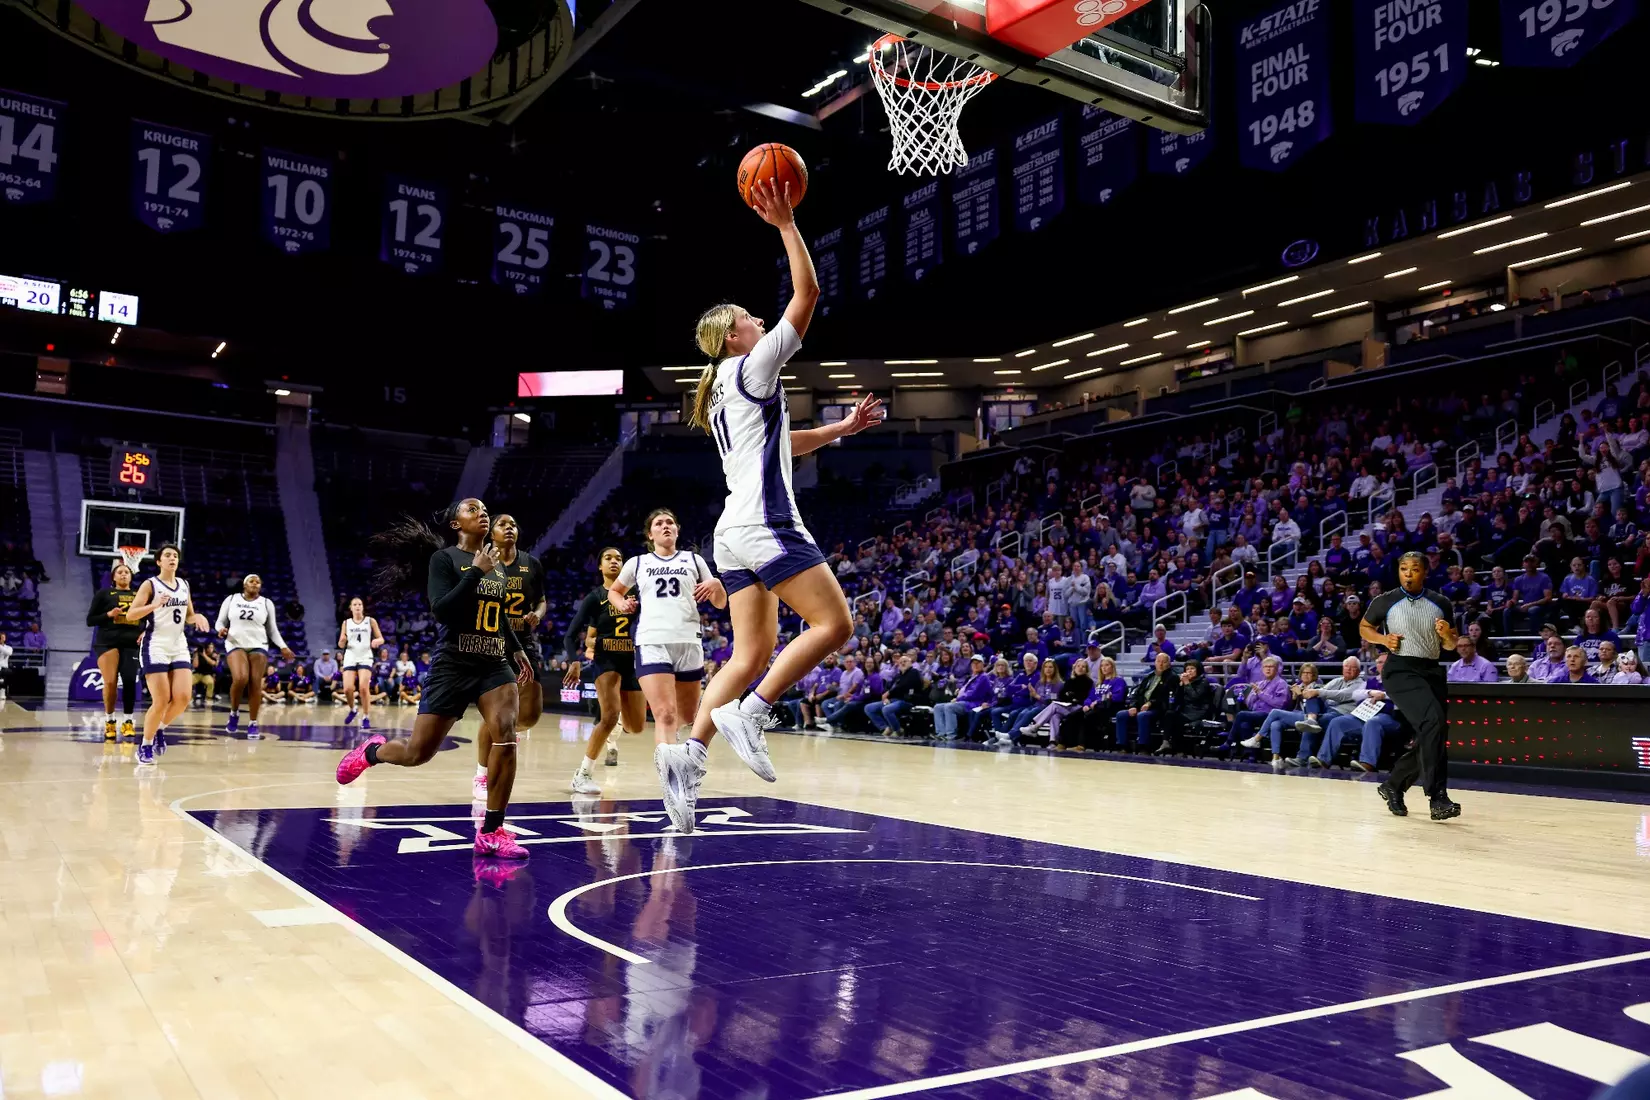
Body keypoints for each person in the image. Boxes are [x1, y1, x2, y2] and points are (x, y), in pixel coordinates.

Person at [655, 175, 886, 835]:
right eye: (749, 319)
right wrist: (786, 223)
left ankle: (687, 758)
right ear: (733, 337)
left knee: (748, 653)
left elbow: (785, 442)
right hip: (764, 524)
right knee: (835, 626)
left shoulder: (725, 387)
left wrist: (841, 430)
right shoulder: (753, 368)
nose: (759, 319)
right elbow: (809, 295)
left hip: (731, 532)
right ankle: (753, 713)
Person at [334, 500, 534, 859]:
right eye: (472, 509)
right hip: (453, 664)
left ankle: (492, 829)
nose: (482, 512)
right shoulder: (444, 560)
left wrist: (516, 648)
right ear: (456, 524)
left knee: (506, 735)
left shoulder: (497, 566)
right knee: (417, 753)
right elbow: (442, 609)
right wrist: (475, 571)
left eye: (484, 509)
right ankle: (373, 751)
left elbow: (498, 614)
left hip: (493, 663)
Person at [1361, 551, 1461, 821]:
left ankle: (1393, 785)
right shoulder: (1386, 600)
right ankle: (1437, 797)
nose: (1408, 573)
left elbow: (1452, 644)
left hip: (1431, 671)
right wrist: (1383, 640)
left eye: (1414, 569)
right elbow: (1364, 627)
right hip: (1401, 669)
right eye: (1403, 568)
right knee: (1433, 723)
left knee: (1435, 732)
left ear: (1424, 572)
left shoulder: (1440, 602)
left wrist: (1446, 636)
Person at [562, 547, 647, 794]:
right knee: (609, 715)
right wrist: (574, 660)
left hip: (631, 661)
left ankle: (617, 721)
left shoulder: (637, 594)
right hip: (606, 660)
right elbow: (570, 635)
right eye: (608, 558)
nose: (614, 561)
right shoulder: (595, 597)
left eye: (619, 558)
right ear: (599, 566)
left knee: (637, 726)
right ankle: (583, 773)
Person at [121, 545, 211, 765]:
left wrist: (197, 616)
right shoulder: (149, 584)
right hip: (156, 644)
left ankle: (160, 729)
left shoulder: (184, 585)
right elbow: (131, 614)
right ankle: (145, 745)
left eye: (175, 556)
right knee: (161, 701)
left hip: (178, 643)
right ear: (159, 561)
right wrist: (153, 605)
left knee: (182, 698)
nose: (172, 558)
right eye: (168, 555)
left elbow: (188, 616)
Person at [489, 514, 548, 737]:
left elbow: (541, 601)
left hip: (523, 641)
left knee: (530, 715)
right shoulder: (483, 562)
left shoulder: (532, 564)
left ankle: (508, 732)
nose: (509, 528)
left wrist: (538, 614)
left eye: (513, 525)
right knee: (496, 709)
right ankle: (482, 769)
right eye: (502, 525)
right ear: (491, 533)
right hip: (491, 644)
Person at [216, 573, 294, 739]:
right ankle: (234, 713)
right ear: (244, 585)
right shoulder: (231, 599)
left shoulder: (266, 603)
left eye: (258, 582)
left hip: (259, 644)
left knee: (255, 682)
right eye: (251, 581)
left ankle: (253, 723)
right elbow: (219, 622)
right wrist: (220, 630)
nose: (255, 583)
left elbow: (272, 629)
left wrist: (283, 646)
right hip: (235, 643)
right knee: (241, 678)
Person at [85, 560, 143, 741]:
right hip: (107, 643)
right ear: (114, 577)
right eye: (120, 572)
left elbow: (149, 617)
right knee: (110, 683)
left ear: (131, 576)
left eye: (127, 572)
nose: (124, 574)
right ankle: (110, 721)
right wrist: (108, 615)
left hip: (131, 644)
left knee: (128, 681)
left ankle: (127, 721)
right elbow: (90, 619)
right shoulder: (104, 593)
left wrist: (144, 631)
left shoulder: (140, 594)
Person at [1020, 657, 1095, 748]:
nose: (1080, 668)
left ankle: (1035, 727)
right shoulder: (1069, 681)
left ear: (1086, 670)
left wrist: (1071, 696)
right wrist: (1070, 696)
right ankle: (1053, 742)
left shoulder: (1088, 682)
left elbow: (1082, 697)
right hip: (1067, 706)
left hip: (1079, 708)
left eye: (1083, 667)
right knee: (1055, 716)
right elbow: (1062, 695)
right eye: (1078, 666)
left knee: (1054, 705)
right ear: (1074, 668)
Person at [337, 596, 385, 730]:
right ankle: (353, 709)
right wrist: (342, 641)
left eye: (359, 604)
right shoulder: (346, 623)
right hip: (351, 655)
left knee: (363, 687)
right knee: (347, 689)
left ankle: (365, 716)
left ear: (362, 607)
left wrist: (377, 641)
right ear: (351, 608)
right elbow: (341, 643)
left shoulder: (370, 621)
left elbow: (381, 638)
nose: (357, 606)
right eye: (355, 604)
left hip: (365, 655)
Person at [1115, 651, 1173, 751]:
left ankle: (1143, 747)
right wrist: (1133, 706)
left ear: (1168, 664)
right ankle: (1122, 746)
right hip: (1141, 706)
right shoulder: (1149, 676)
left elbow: (1166, 697)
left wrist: (1151, 703)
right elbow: (1137, 693)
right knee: (1121, 714)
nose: (1160, 664)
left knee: (1142, 715)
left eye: (1163, 662)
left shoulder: (1172, 678)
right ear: (1154, 662)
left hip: (1159, 709)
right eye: (1158, 661)